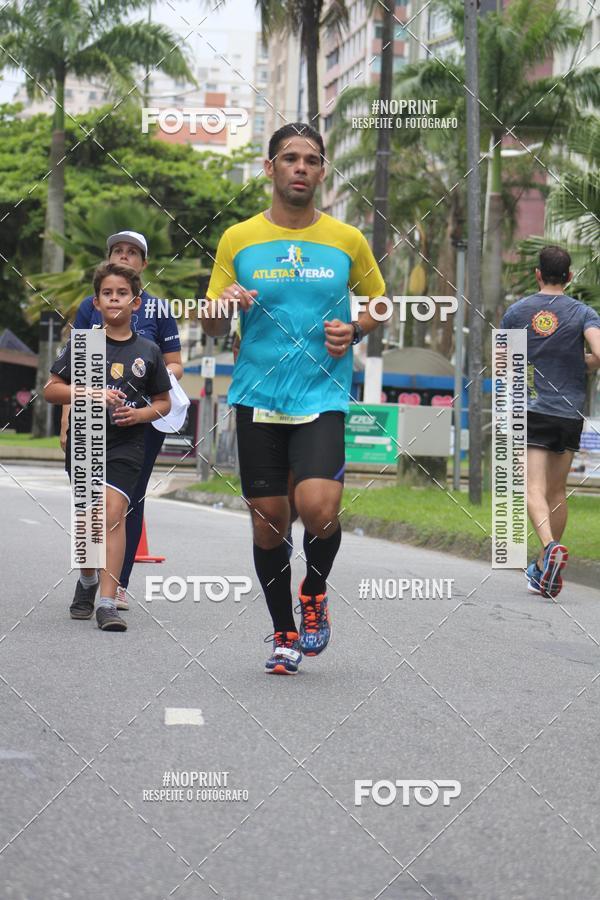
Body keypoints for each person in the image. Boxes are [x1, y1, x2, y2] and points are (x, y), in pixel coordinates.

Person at [202, 122, 386, 674]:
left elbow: (380, 303)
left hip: (321, 393)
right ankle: (284, 633)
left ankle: (314, 591)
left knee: (319, 509)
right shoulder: (238, 238)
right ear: (270, 168)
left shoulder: (347, 239)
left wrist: (356, 328)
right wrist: (222, 306)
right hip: (257, 394)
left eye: (310, 159)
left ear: (322, 172)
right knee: (269, 521)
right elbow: (212, 323)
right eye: (289, 158)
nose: (300, 167)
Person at [45, 262, 171, 631]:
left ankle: (107, 601)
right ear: (96, 303)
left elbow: (163, 402)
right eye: (107, 293)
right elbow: (52, 390)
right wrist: (90, 394)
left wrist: (139, 415)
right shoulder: (84, 345)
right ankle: (87, 580)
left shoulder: (148, 350)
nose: (114, 299)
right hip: (86, 438)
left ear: (136, 302)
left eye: (122, 293)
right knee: (88, 520)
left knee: (112, 514)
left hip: (127, 443)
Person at [500, 245, 600, 598]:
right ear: (569, 276)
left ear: (538, 274)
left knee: (532, 488)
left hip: (532, 409)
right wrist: (579, 362)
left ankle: (549, 547)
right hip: (569, 413)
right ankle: (546, 570)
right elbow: (599, 353)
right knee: (557, 491)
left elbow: (503, 363)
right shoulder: (584, 312)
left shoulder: (517, 312)